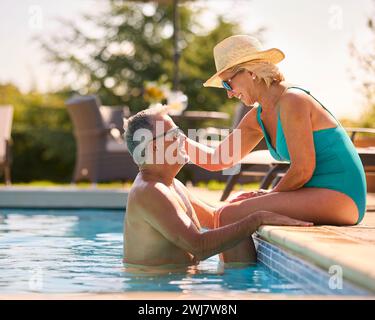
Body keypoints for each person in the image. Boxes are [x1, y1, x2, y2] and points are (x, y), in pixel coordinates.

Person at [175, 34, 367, 263]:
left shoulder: (292, 100)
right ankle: (238, 276)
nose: (228, 92)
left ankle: (237, 283)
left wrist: (268, 194)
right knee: (233, 205)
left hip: (342, 194)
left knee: (228, 215)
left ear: (250, 72)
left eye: (228, 83)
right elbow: (219, 158)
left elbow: (303, 169)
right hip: (315, 191)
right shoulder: (258, 116)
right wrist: (174, 137)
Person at [123, 106, 312, 266]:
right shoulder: (150, 191)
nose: (183, 139)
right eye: (174, 134)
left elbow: (216, 218)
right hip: (158, 293)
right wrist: (256, 219)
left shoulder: (173, 185)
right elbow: (199, 247)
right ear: (154, 147)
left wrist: (256, 201)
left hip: (180, 286)